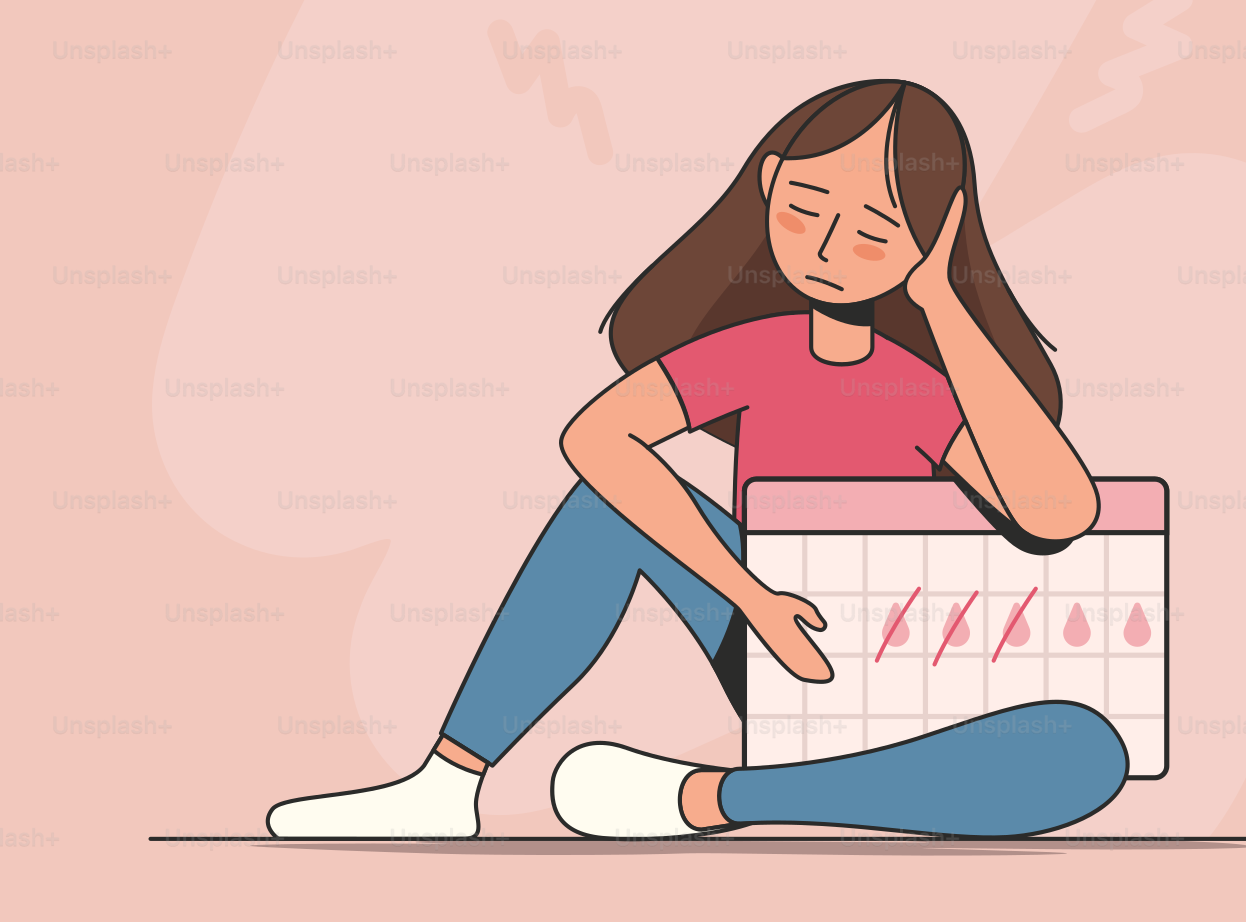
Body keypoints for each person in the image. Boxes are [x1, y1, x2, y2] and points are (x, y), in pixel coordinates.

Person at [266, 81, 1127, 840]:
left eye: (874, 232)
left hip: (923, 683)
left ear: (926, 242)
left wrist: (939, 300)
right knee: (603, 509)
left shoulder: (923, 387)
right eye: (806, 206)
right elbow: (595, 439)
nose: (829, 247)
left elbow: (1058, 511)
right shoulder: (758, 350)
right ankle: (448, 783)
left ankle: (710, 798)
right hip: (773, 642)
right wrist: (752, 597)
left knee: (1086, 753)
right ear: (767, 184)